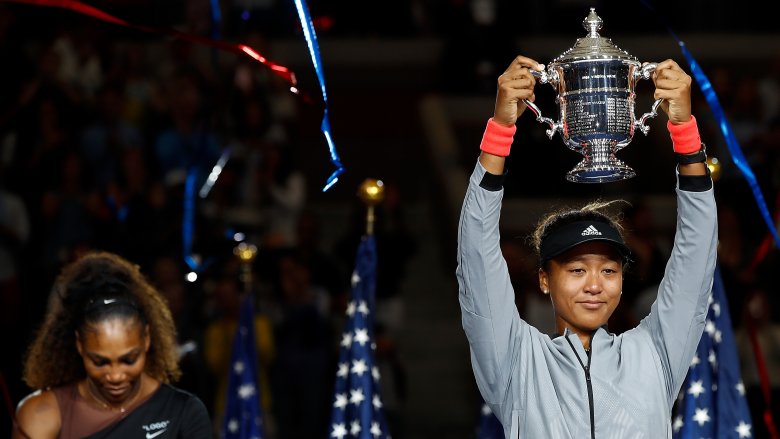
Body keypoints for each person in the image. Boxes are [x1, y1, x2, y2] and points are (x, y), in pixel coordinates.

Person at [456, 55, 717, 438]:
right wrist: (500, 129)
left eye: (608, 270)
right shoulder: (516, 360)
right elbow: (476, 256)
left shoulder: (655, 352)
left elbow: (696, 257)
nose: (594, 285)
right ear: (545, 279)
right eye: (577, 270)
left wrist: (684, 133)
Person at [12, 251, 213, 438]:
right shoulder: (42, 414)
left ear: (147, 339)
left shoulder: (184, 411)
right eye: (100, 362)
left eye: (128, 360)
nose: (115, 376)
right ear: (80, 345)